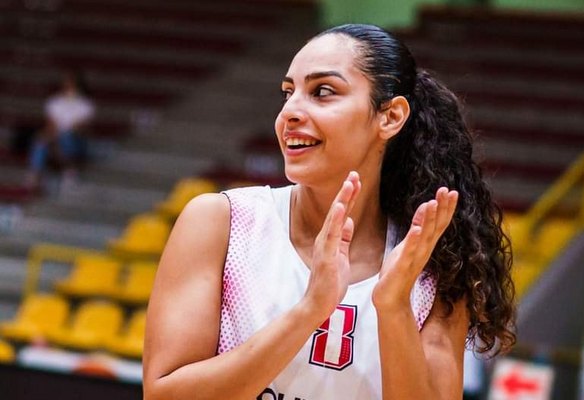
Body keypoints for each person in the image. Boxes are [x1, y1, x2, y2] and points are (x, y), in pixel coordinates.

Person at [143, 24, 516, 400]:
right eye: (288, 92)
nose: (290, 112)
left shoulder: (431, 259)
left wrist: (393, 307)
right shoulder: (222, 223)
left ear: (390, 117)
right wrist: (309, 310)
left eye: (322, 92)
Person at [25, 71, 94, 189]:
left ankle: (70, 171)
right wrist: (51, 137)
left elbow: (80, 128)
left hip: (75, 140)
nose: (68, 87)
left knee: (67, 137)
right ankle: (35, 174)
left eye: (71, 84)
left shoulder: (86, 105)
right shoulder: (54, 102)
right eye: (66, 84)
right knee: (41, 141)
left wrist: (61, 135)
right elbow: (50, 125)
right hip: (56, 137)